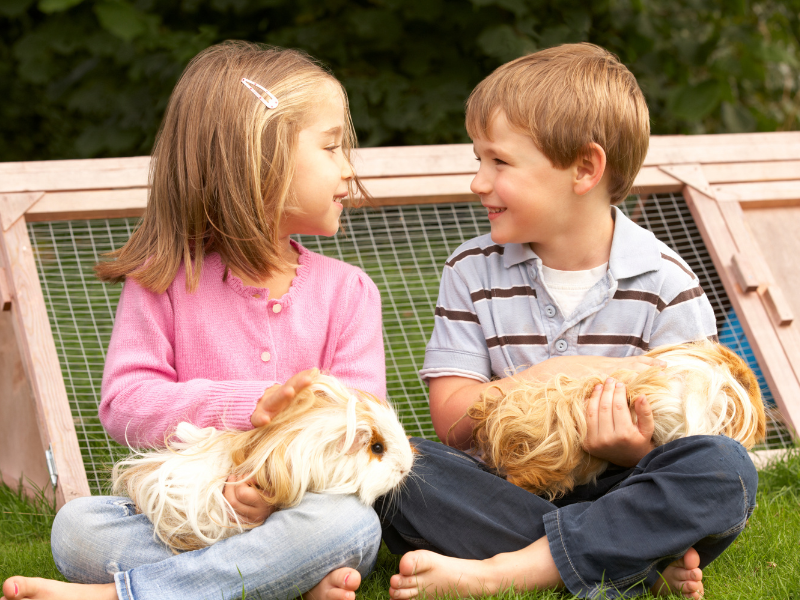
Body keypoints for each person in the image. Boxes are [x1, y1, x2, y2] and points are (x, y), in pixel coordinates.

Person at [2, 41, 385, 600]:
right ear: (260, 158)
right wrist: (245, 407)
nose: (349, 170)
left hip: (297, 511)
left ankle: (130, 593)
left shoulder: (349, 291)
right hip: (187, 510)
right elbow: (125, 404)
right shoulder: (165, 281)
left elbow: (363, 432)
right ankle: (276, 578)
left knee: (349, 526)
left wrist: (274, 491)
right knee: (78, 528)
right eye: (331, 147)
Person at [378, 43, 757, 600]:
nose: (479, 181)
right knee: (399, 464)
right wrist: (549, 373)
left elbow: (695, 435)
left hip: (622, 491)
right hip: (502, 491)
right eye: (478, 159)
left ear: (584, 168)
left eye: (499, 161)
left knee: (723, 469)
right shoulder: (471, 270)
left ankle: (505, 572)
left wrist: (632, 451)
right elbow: (452, 423)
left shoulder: (667, 282)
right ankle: (627, 564)